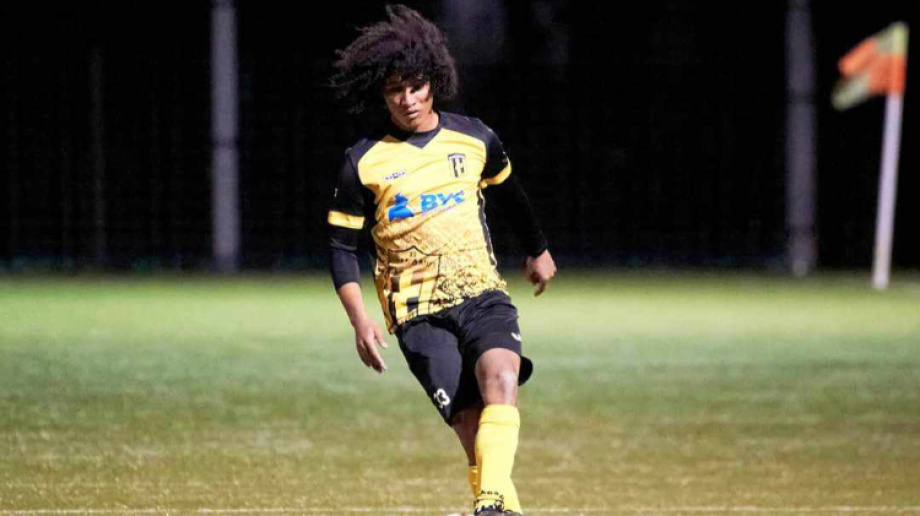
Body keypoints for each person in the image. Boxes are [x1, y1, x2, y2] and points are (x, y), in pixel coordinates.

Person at [327, 5, 556, 516]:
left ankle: (490, 505)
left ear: (434, 82)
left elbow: (511, 194)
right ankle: (500, 508)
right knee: (471, 426)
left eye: (416, 86)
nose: (407, 99)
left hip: (482, 294)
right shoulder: (363, 161)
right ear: (381, 93)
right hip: (417, 313)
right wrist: (360, 320)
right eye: (395, 90)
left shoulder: (474, 138)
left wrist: (538, 249)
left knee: (501, 379)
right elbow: (341, 248)